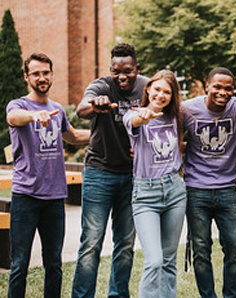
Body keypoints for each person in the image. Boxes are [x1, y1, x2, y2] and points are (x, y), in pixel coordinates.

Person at [6, 53, 90, 298]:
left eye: (45, 73)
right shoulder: (18, 105)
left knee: (53, 263)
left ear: (52, 75)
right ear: (26, 77)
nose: (41, 78)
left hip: (54, 197)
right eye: (35, 73)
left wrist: (108, 134)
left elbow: (72, 136)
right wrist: (33, 116)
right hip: (26, 196)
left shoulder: (56, 110)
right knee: (19, 263)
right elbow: (13, 118)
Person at [72, 43, 149, 298]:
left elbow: (167, 114)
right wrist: (95, 104)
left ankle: (118, 294)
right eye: (116, 71)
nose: (122, 76)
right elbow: (81, 110)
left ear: (137, 68)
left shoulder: (147, 87)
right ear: (110, 70)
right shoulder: (101, 86)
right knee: (91, 242)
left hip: (132, 176)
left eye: (127, 70)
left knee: (125, 243)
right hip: (99, 173)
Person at [181, 67, 236, 298]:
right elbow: (167, 132)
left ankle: (232, 295)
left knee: (234, 249)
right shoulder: (187, 109)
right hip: (196, 190)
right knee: (201, 251)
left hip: (227, 190)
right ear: (207, 86)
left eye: (228, 88)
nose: (223, 92)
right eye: (218, 87)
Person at [122, 70, 187, 297]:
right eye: (157, 89)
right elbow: (135, 121)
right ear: (148, 89)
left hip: (175, 191)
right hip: (145, 195)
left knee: (169, 259)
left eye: (167, 92)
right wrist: (145, 116)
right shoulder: (132, 115)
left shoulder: (176, 116)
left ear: (172, 96)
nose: (161, 95)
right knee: (154, 260)